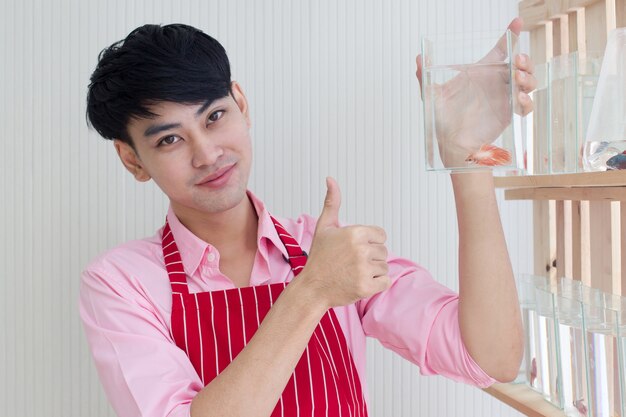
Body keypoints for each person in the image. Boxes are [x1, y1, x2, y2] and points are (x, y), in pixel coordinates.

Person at [80, 19, 536, 417]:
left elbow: (489, 359)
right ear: (132, 160)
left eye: (215, 116)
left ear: (242, 103)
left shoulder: (323, 247)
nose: (207, 153)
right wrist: (313, 290)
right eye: (169, 141)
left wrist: (467, 156)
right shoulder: (123, 282)